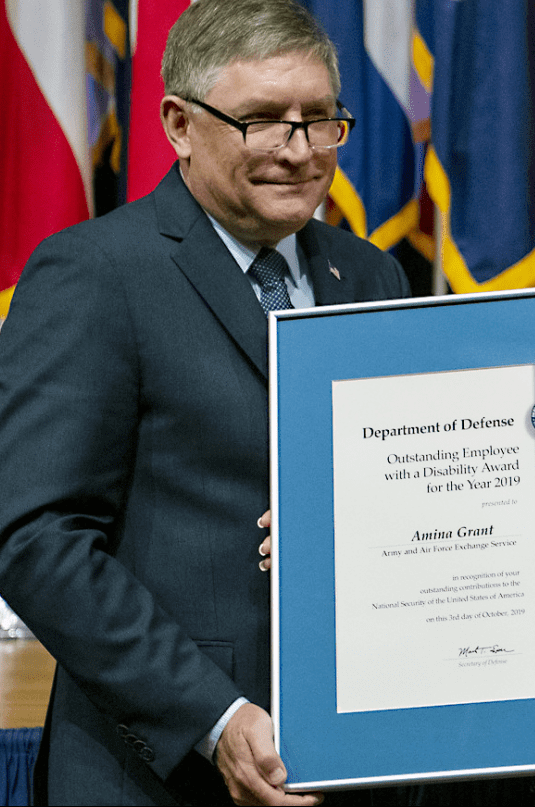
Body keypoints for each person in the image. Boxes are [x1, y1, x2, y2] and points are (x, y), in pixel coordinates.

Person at [0, 1, 410, 803]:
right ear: (179, 124)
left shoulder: (369, 277)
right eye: (262, 121)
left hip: (359, 759)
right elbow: (34, 536)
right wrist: (213, 715)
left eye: (319, 119)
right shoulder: (94, 274)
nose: (298, 151)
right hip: (159, 769)